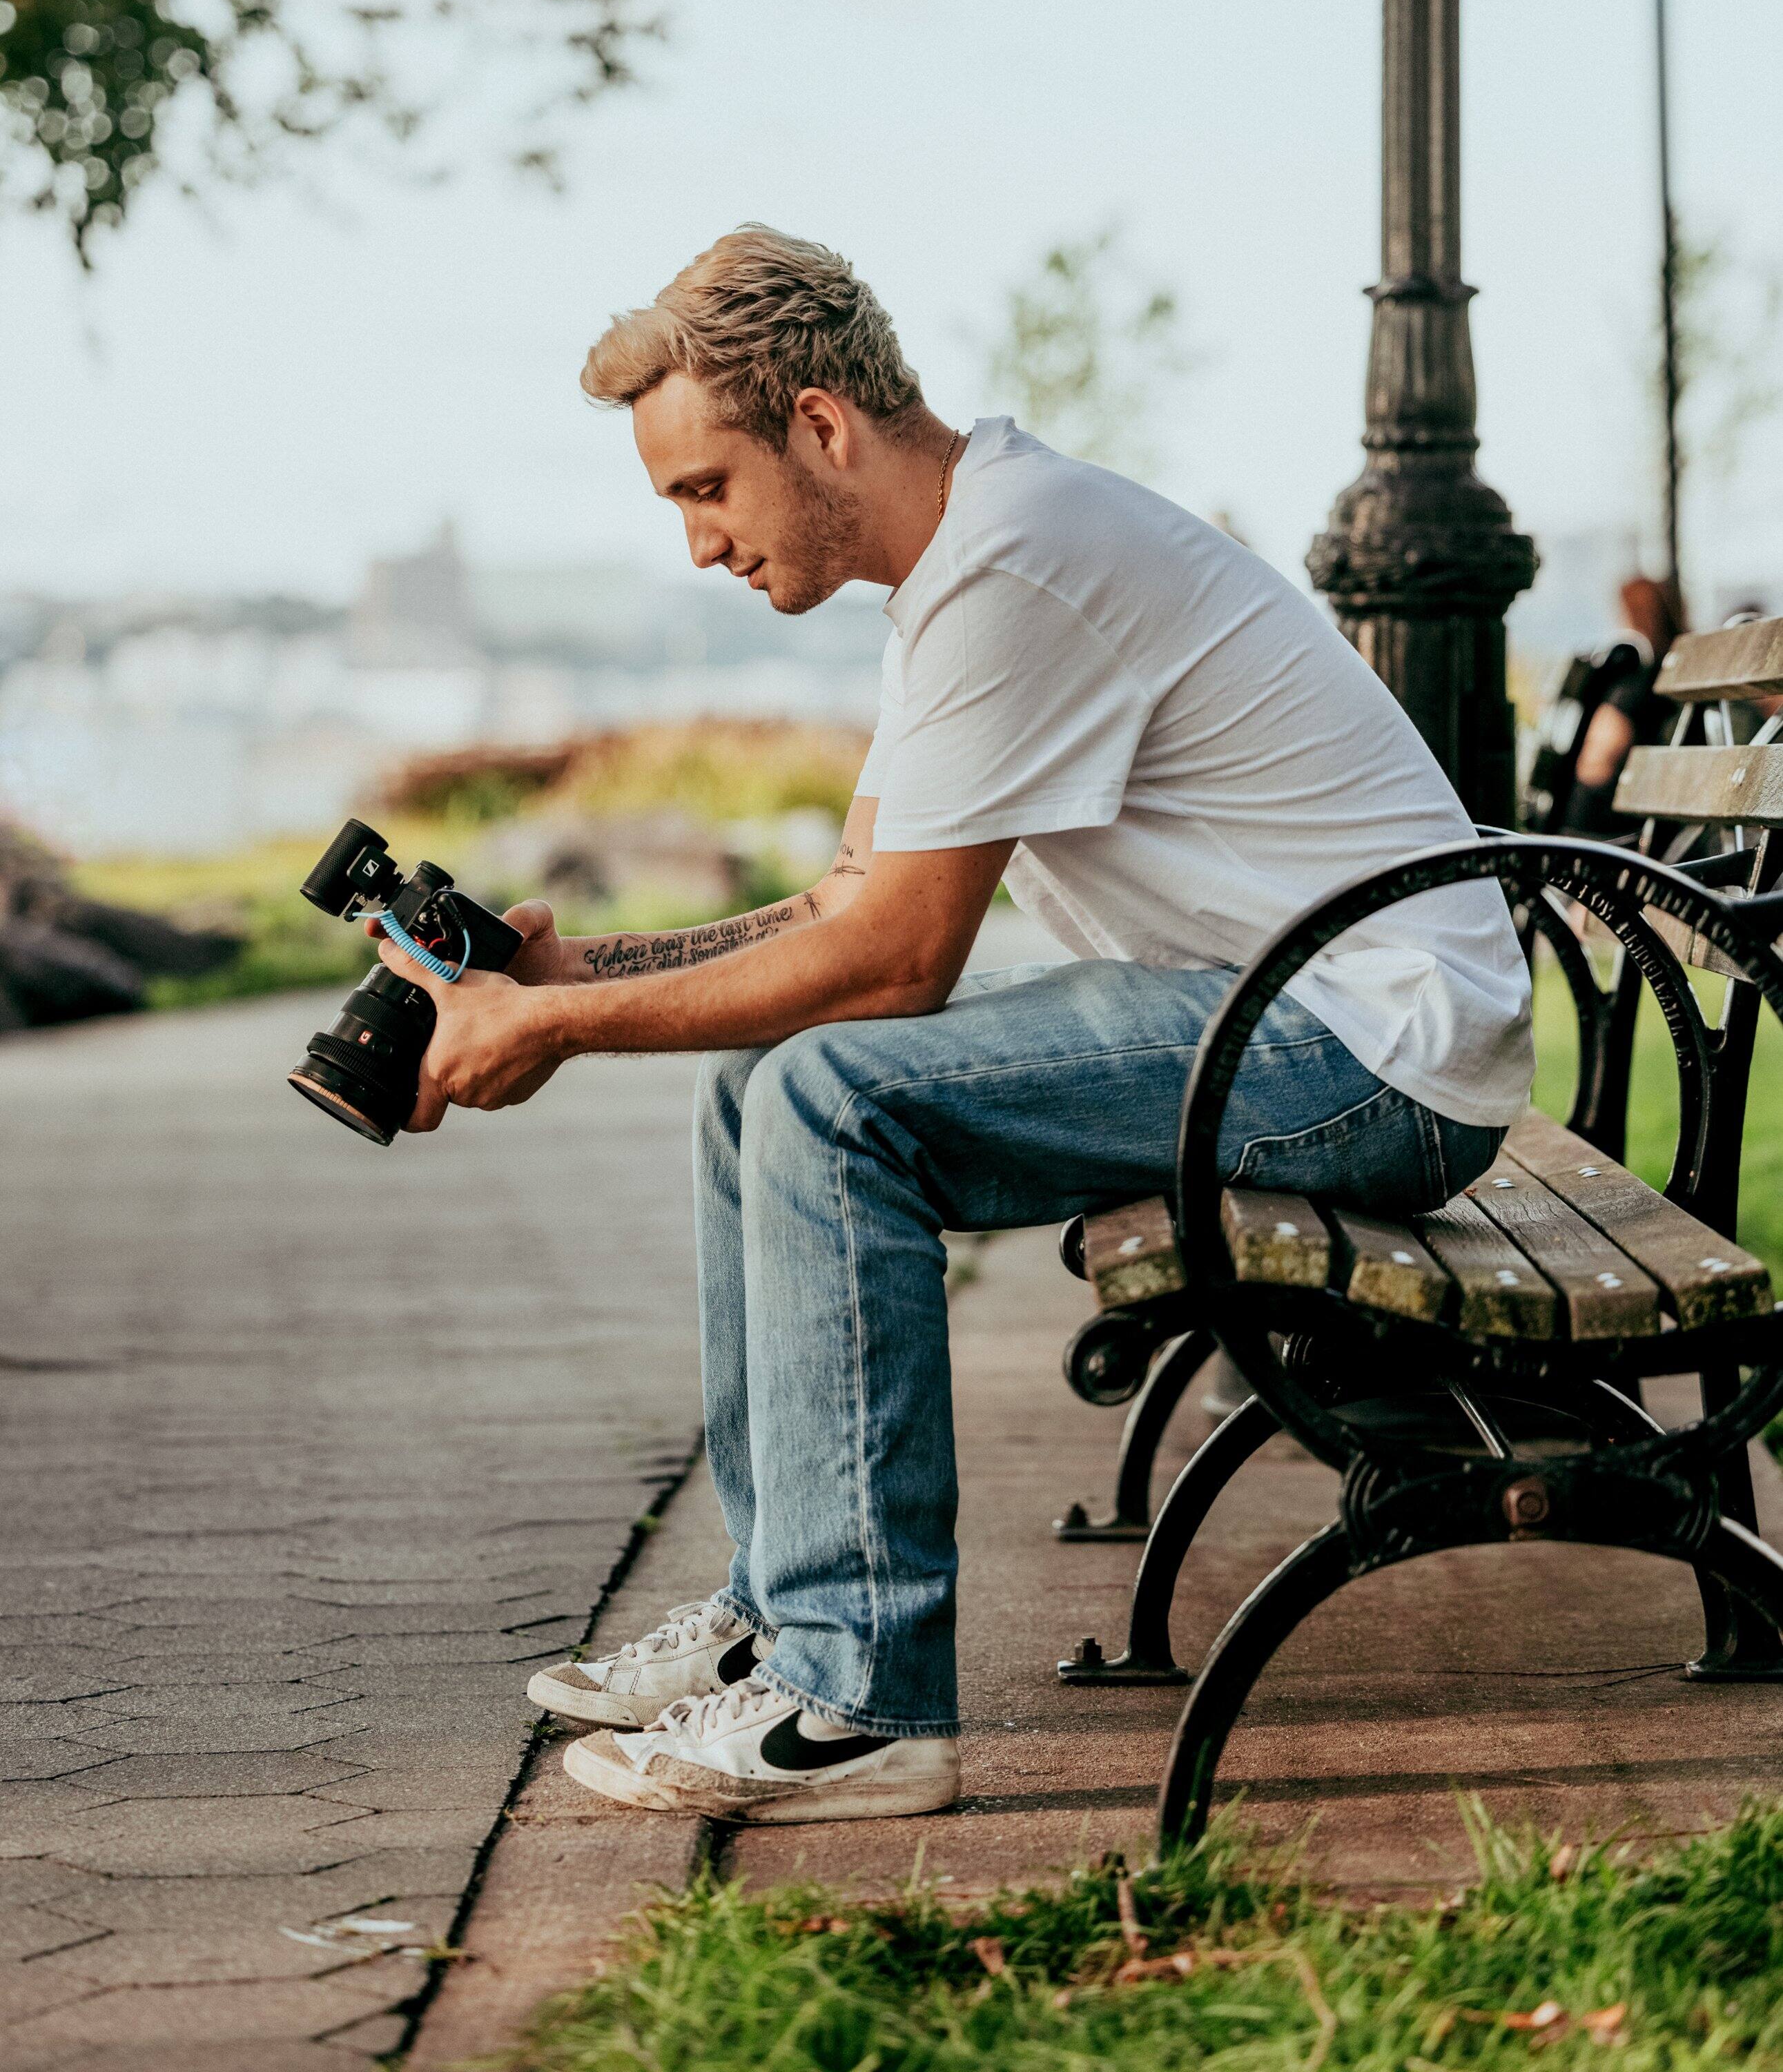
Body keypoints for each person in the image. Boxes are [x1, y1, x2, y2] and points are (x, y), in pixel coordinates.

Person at [371, 226, 1534, 1826]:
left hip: (1372, 1053)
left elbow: (898, 966)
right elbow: (853, 901)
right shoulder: (963, 566)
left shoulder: (1013, 563)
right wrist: (580, 977)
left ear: (823, 426)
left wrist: (565, 1037)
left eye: (708, 489)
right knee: (757, 1081)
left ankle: (857, 1702)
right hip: (1290, 1013)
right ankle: (783, 1614)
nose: (700, 545)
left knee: (838, 1096)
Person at [1561, 576, 1686, 834]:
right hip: (1660, 822)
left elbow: (1597, 764)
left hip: (1609, 831)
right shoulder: (1676, 675)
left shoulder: (1635, 683)